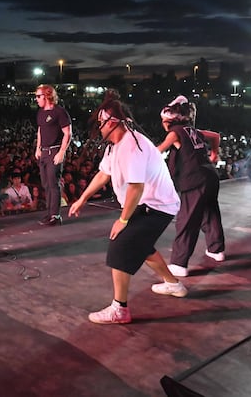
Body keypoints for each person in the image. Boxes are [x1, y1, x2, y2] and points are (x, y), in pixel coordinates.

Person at [69, 90, 186, 325]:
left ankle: (119, 309)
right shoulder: (116, 144)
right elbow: (104, 174)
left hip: (157, 205)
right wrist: (82, 199)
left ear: (112, 123)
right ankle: (174, 284)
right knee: (140, 245)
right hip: (149, 203)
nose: (99, 128)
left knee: (121, 244)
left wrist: (122, 221)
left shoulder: (132, 147)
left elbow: (136, 188)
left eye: (101, 123)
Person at [156, 96, 225, 277]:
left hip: (194, 180)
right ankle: (216, 250)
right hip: (210, 176)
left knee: (187, 220)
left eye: (163, 121)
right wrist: (214, 154)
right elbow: (216, 136)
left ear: (168, 120)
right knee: (210, 213)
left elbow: (158, 151)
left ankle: (179, 264)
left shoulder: (175, 132)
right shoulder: (193, 130)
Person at [34, 84, 71, 226]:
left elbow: (67, 132)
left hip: (54, 151)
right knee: (46, 184)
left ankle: (55, 215)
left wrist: (61, 152)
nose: (36, 99)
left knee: (53, 183)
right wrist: (38, 148)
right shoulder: (40, 112)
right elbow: (40, 130)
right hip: (43, 152)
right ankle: (49, 213)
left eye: (38, 96)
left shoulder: (59, 112)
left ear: (47, 95)